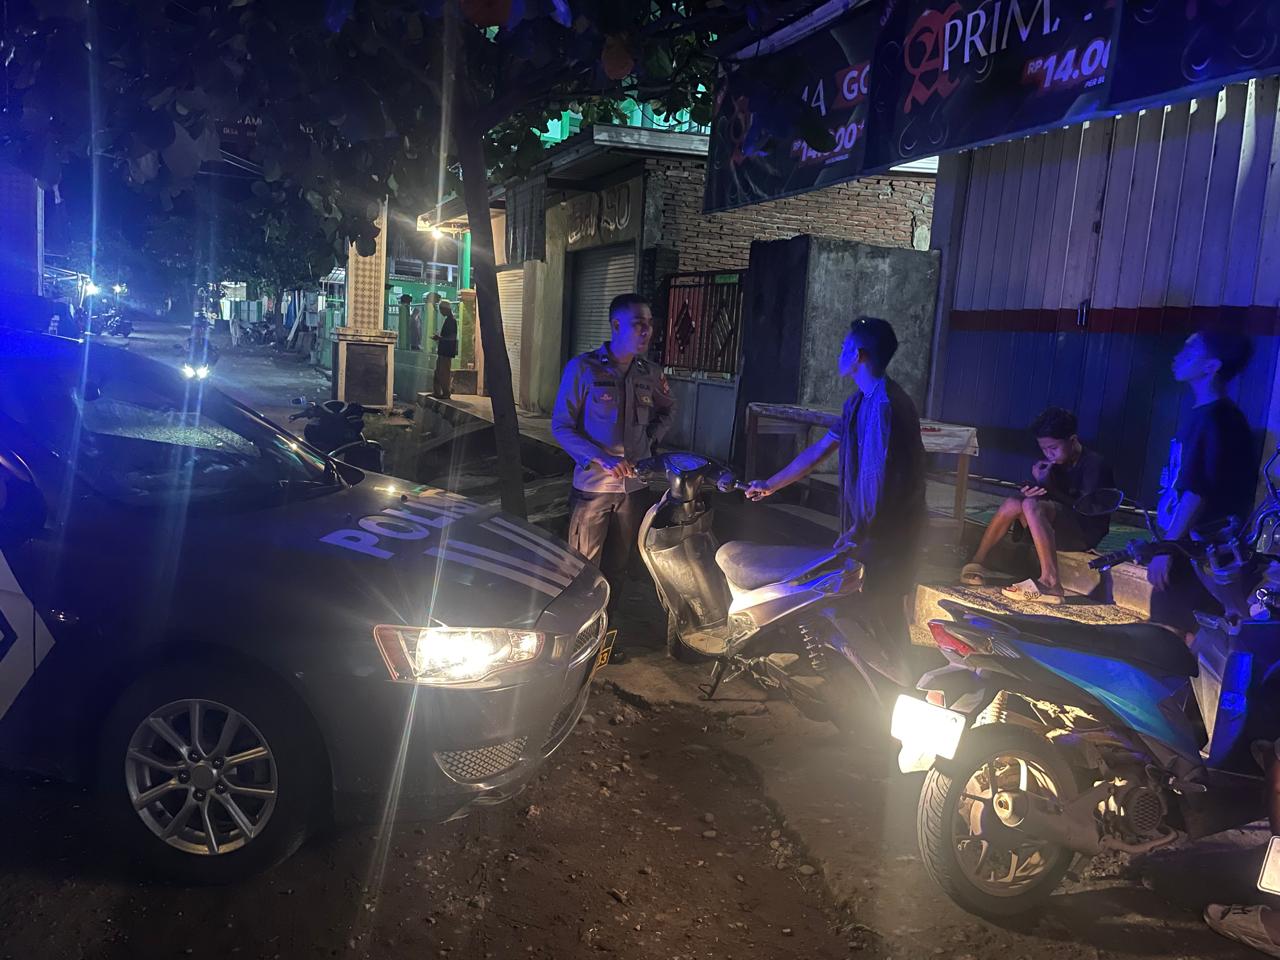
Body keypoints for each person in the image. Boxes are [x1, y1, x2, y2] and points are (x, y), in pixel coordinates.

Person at [745, 316, 926, 648]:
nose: (839, 353)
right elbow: (819, 451)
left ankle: (900, 678)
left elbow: (876, 477)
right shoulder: (858, 402)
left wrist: (859, 531)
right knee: (868, 612)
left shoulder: (885, 406)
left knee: (882, 614)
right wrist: (771, 484)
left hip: (886, 535)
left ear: (859, 355)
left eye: (844, 347)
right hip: (869, 531)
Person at [551, 294, 674, 655]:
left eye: (649, 324)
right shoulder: (584, 369)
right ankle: (574, 642)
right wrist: (600, 457)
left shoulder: (650, 374)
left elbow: (668, 410)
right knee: (582, 568)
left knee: (619, 567)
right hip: (593, 488)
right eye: (638, 324)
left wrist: (649, 441)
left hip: (633, 489)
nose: (647, 331)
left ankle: (604, 635)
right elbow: (561, 426)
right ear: (616, 325)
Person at [1149, 330, 1256, 635]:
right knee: (1183, 635)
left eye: (1191, 349)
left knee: (1171, 634)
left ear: (1211, 366)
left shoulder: (1217, 419)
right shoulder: (1206, 415)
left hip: (1197, 551)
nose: (1178, 355)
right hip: (1191, 547)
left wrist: (1167, 548)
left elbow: (1198, 492)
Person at [961, 407, 1115, 603]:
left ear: (1072, 440)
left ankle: (1051, 582)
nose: (1049, 454)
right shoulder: (1054, 463)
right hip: (1055, 526)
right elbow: (1051, 499)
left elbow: (1086, 509)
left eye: (1053, 448)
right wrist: (1035, 487)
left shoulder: (1095, 465)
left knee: (1032, 506)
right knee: (1014, 503)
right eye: (1044, 449)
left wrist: (1048, 487)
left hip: (1084, 532)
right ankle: (977, 561)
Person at [431, 300, 459, 399]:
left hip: (446, 351)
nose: (440, 312)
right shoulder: (448, 320)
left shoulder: (451, 321)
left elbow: (452, 337)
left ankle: (446, 393)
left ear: (445, 309)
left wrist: (440, 338)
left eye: (441, 309)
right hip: (443, 350)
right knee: (438, 372)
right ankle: (437, 392)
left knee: (444, 373)